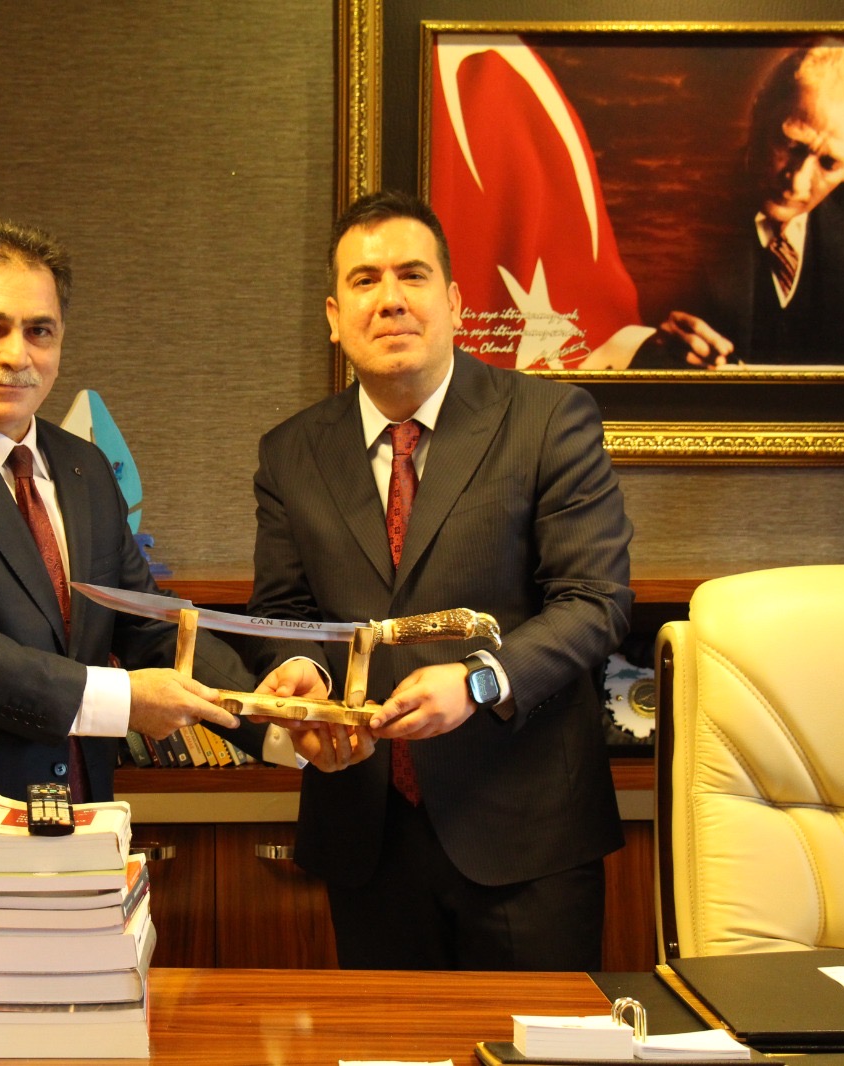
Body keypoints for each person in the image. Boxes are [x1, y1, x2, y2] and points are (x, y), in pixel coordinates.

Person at [0, 219, 288, 1064]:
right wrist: (120, 701)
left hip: (70, 877)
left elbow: (146, 620)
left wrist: (274, 720)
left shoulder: (81, 468)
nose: (17, 354)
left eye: (40, 331)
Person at [245, 190, 633, 971]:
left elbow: (595, 603)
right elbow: (285, 613)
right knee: (390, 1041)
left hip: (526, 832)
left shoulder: (549, 420)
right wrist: (301, 675)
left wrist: (480, 681)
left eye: (412, 275)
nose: (390, 299)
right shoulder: (290, 453)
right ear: (334, 316)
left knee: (534, 1041)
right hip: (367, 832)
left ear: (454, 302)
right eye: (364, 281)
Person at [635, 43, 844, 369]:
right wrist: (648, 346)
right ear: (758, 112)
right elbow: (618, 326)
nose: (798, 182)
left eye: (830, 163)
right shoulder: (673, 209)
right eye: (791, 144)